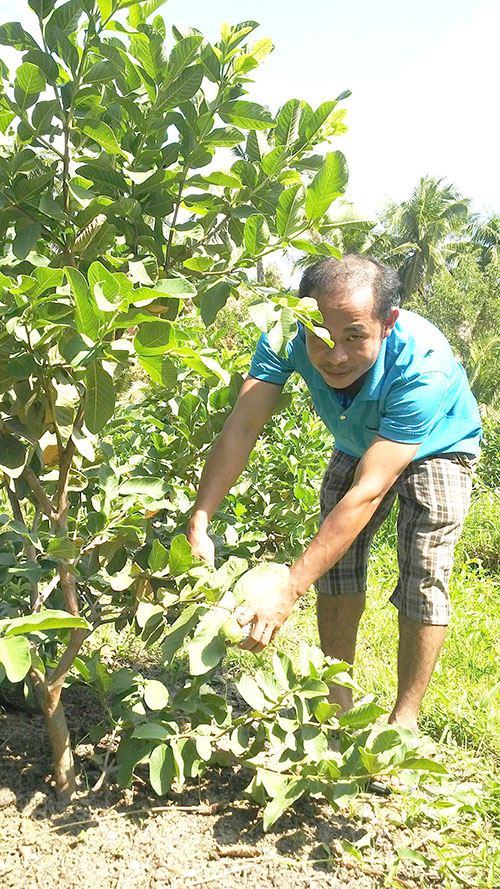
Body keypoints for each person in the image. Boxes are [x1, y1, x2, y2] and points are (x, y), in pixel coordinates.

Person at [187, 254, 482, 734]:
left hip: (438, 445)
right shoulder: (286, 335)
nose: (335, 355)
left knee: (424, 572)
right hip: (357, 439)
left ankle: (403, 723)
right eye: (321, 337)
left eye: (355, 337)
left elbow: (368, 490)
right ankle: (336, 702)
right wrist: (201, 516)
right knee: (339, 569)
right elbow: (242, 425)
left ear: (387, 324)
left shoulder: (424, 364)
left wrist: (288, 588)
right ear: (305, 317)